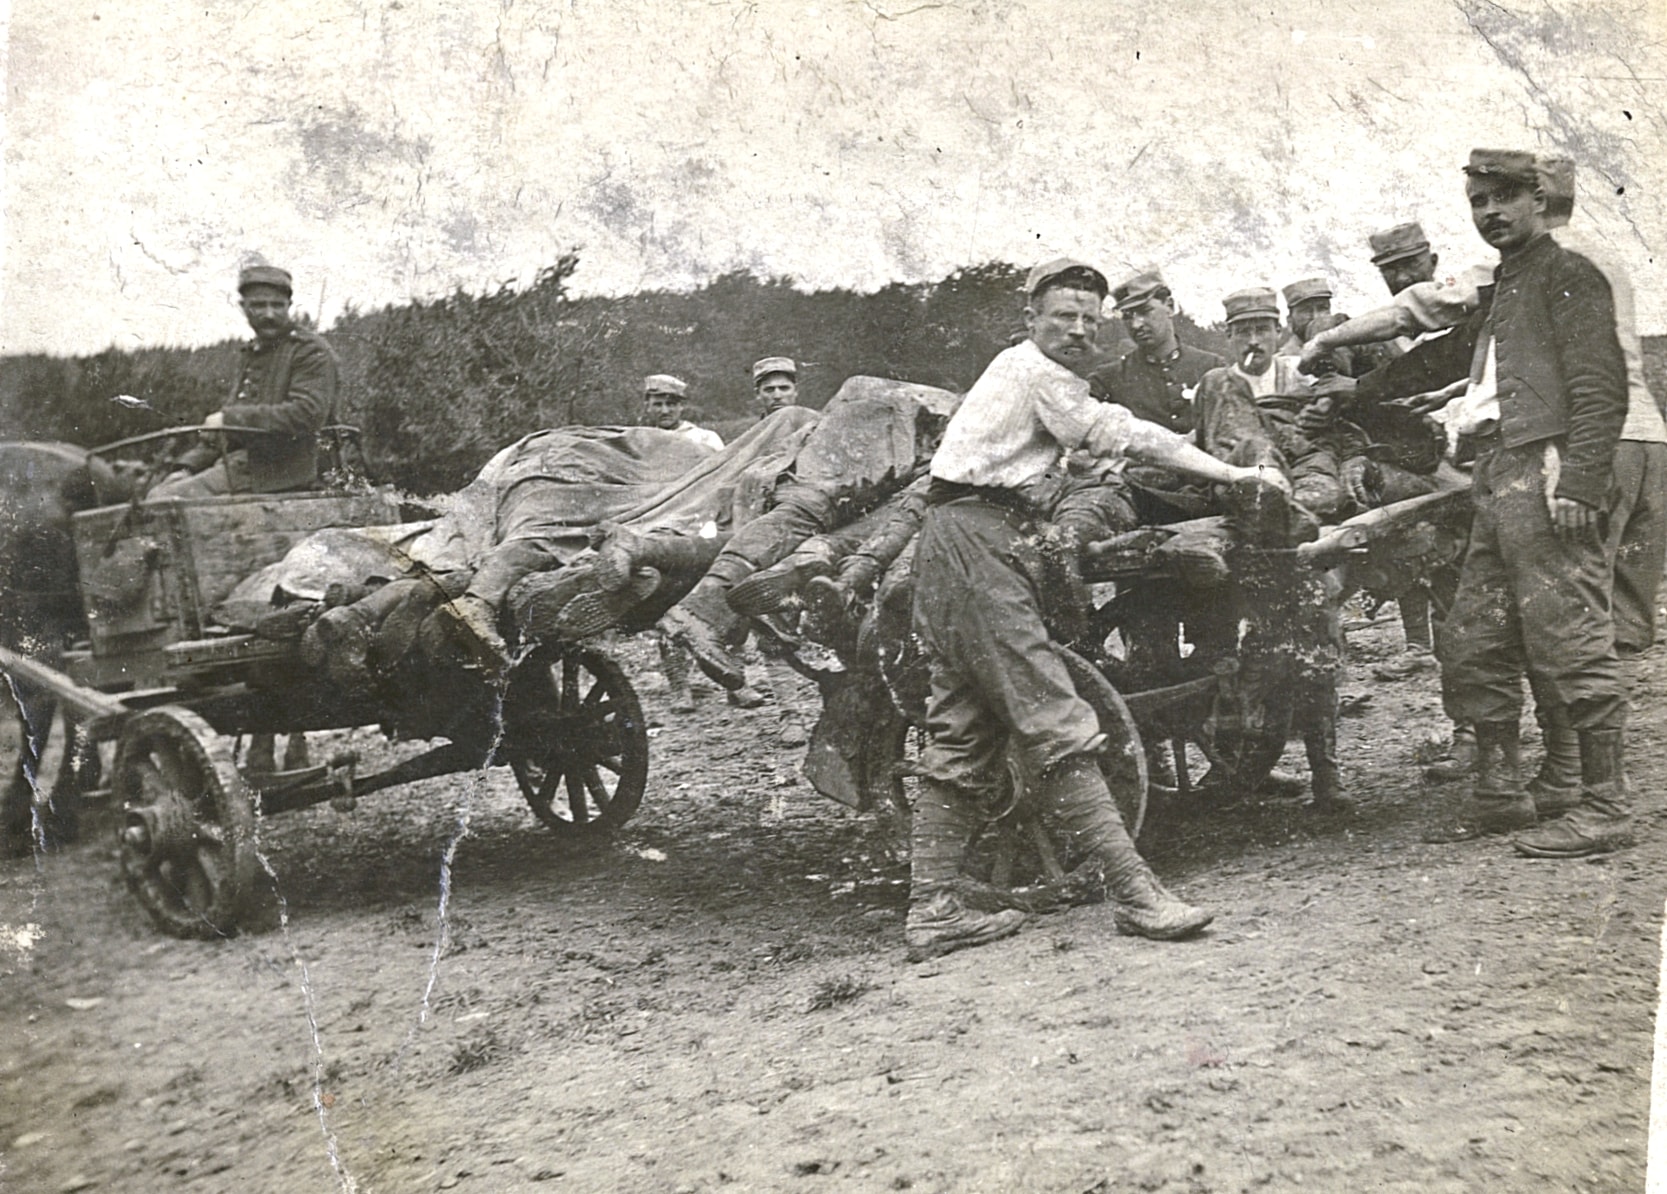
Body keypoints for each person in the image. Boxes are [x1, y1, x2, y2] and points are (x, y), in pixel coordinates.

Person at [903, 256, 1286, 961]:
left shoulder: (1030, 376)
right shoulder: (1033, 372)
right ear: (1031, 320)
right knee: (1052, 714)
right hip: (979, 543)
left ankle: (931, 913)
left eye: (1089, 318)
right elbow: (1129, 433)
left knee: (960, 728)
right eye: (1063, 317)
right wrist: (1233, 472)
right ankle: (1135, 894)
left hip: (961, 540)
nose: (1079, 330)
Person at [1422, 149, 1631, 859]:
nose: (1489, 214)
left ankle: (1605, 806)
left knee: (1568, 638)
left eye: (1503, 198)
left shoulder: (1566, 272)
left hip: (1544, 476)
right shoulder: (1509, 282)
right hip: (1496, 474)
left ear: (1537, 199)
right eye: (1478, 202)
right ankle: (1507, 788)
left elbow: (1598, 388)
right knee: (1472, 635)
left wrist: (1578, 482)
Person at [150, 263, 338, 499]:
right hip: (247, 464)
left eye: (277, 305)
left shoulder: (309, 351)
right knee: (158, 490)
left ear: (289, 306)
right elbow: (227, 432)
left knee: (166, 500)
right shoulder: (252, 353)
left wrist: (230, 418)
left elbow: (307, 414)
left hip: (287, 469)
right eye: (259, 305)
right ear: (243, 308)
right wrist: (187, 466)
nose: (269, 314)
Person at [1087, 270, 1225, 434]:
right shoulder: (1108, 380)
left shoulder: (1213, 368)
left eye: (1145, 311)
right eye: (1128, 316)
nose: (1136, 325)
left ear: (1169, 306)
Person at [642, 374, 724, 451]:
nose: (665, 411)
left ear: (681, 406)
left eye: (671, 404)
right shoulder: (643, 442)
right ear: (648, 407)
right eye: (658, 405)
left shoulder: (705, 439)